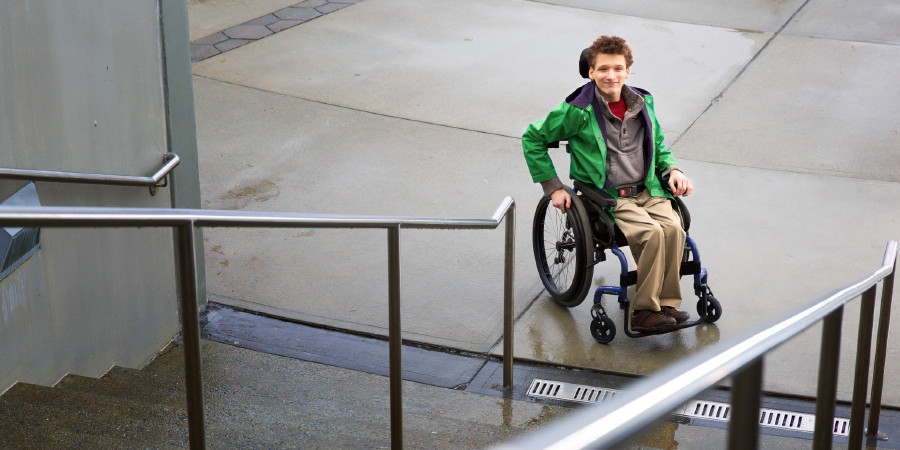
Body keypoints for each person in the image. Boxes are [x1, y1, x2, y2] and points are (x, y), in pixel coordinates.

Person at [522, 35, 694, 332]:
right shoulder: (578, 111)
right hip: (608, 197)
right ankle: (643, 313)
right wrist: (554, 187)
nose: (610, 75)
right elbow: (532, 137)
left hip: (649, 189)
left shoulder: (643, 103)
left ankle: (666, 305)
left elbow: (660, 147)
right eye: (602, 69)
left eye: (617, 68)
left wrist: (673, 171)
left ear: (628, 71)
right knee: (652, 234)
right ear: (591, 72)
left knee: (674, 229)